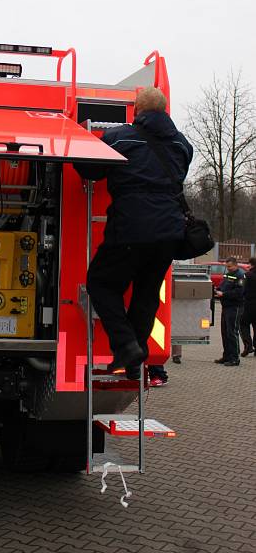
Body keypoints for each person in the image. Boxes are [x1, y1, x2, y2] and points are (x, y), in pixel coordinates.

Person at [75, 86, 193, 378]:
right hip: (170, 233)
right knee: (147, 292)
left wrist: (79, 141)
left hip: (130, 228)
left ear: (137, 110)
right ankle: (134, 358)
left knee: (100, 283)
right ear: (164, 110)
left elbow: (92, 171)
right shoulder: (182, 145)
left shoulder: (120, 137)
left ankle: (126, 345)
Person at [214, 257, 245, 366]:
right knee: (225, 332)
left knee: (232, 332)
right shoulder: (228, 274)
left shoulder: (240, 275)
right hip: (226, 306)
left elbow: (239, 292)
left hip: (235, 307)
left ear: (236, 265)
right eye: (227, 266)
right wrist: (217, 290)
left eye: (230, 266)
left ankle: (235, 358)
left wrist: (224, 294)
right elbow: (223, 286)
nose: (228, 268)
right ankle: (226, 356)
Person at [239, 257, 256, 357]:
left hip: (249, 304)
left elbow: (241, 286)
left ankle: (248, 346)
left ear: (251, 264)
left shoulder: (247, 275)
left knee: (243, 324)